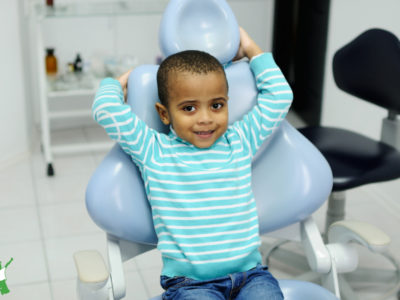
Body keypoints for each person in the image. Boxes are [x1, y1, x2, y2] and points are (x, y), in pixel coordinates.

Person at [92, 28, 293, 299]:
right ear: (164, 114)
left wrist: (250, 48)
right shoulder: (154, 150)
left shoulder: (240, 140)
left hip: (251, 277)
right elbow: (105, 110)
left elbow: (280, 95)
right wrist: (120, 82)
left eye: (217, 105)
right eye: (189, 108)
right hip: (192, 285)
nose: (205, 118)